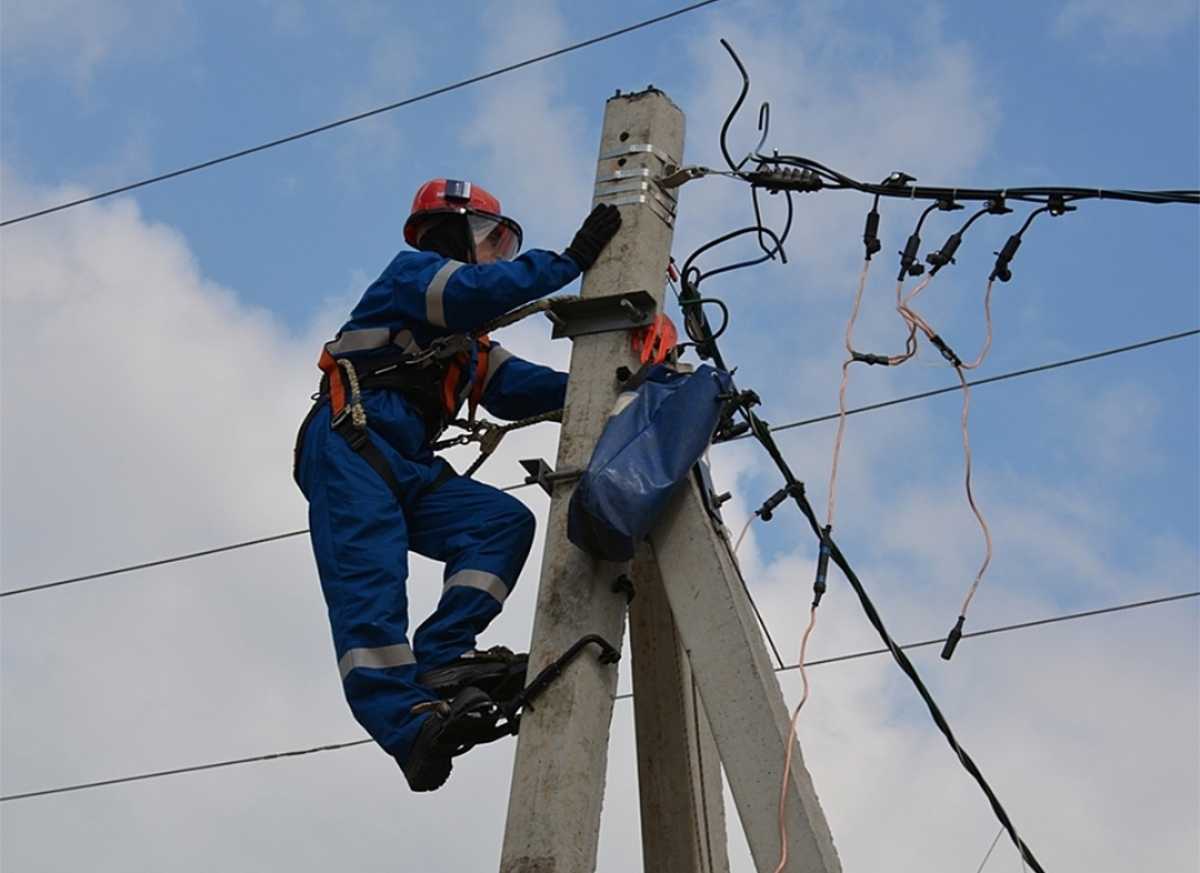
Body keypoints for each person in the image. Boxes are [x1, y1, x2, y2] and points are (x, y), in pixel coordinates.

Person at [294, 178, 621, 791]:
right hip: (349, 448)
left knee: (499, 524)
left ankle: (443, 656)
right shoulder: (414, 276)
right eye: (490, 239)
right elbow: (475, 292)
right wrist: (566, 264)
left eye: (505, 243)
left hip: (407, 464)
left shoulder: (467, 347)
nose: (497, 252)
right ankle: (406, 727)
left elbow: (525, 388)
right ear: (451, 233)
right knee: (371, 591)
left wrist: (621, 382)